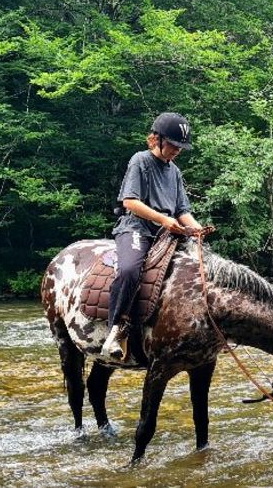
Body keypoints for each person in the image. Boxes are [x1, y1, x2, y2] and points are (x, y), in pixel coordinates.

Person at [101, 112, 202, 359]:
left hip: (166, 234)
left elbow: (182, 210)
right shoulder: (140, 161)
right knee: (129, 270)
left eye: (181, 147)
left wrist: (197, 229)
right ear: (157, 139)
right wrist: (164, 220)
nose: (177, 150)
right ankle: (115, 331)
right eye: (174, 145)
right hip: (136, 228)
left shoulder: (174, 172)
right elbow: (130, 202)